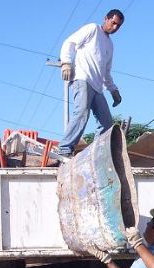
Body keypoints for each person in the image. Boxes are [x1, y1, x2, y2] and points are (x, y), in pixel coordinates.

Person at [58, 9, 124, 157]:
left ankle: (96, 154)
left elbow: (106, 71)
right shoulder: (93, 29)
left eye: (118, 26)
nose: (114, 27)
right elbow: (70, 42)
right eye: (113, 23)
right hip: (82, 79)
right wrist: (66, 63)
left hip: (97, 88)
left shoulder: (110, 45)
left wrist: (113, 90)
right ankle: (65, 149)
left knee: (107, 123)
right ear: (105, 18)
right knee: (82, 112)